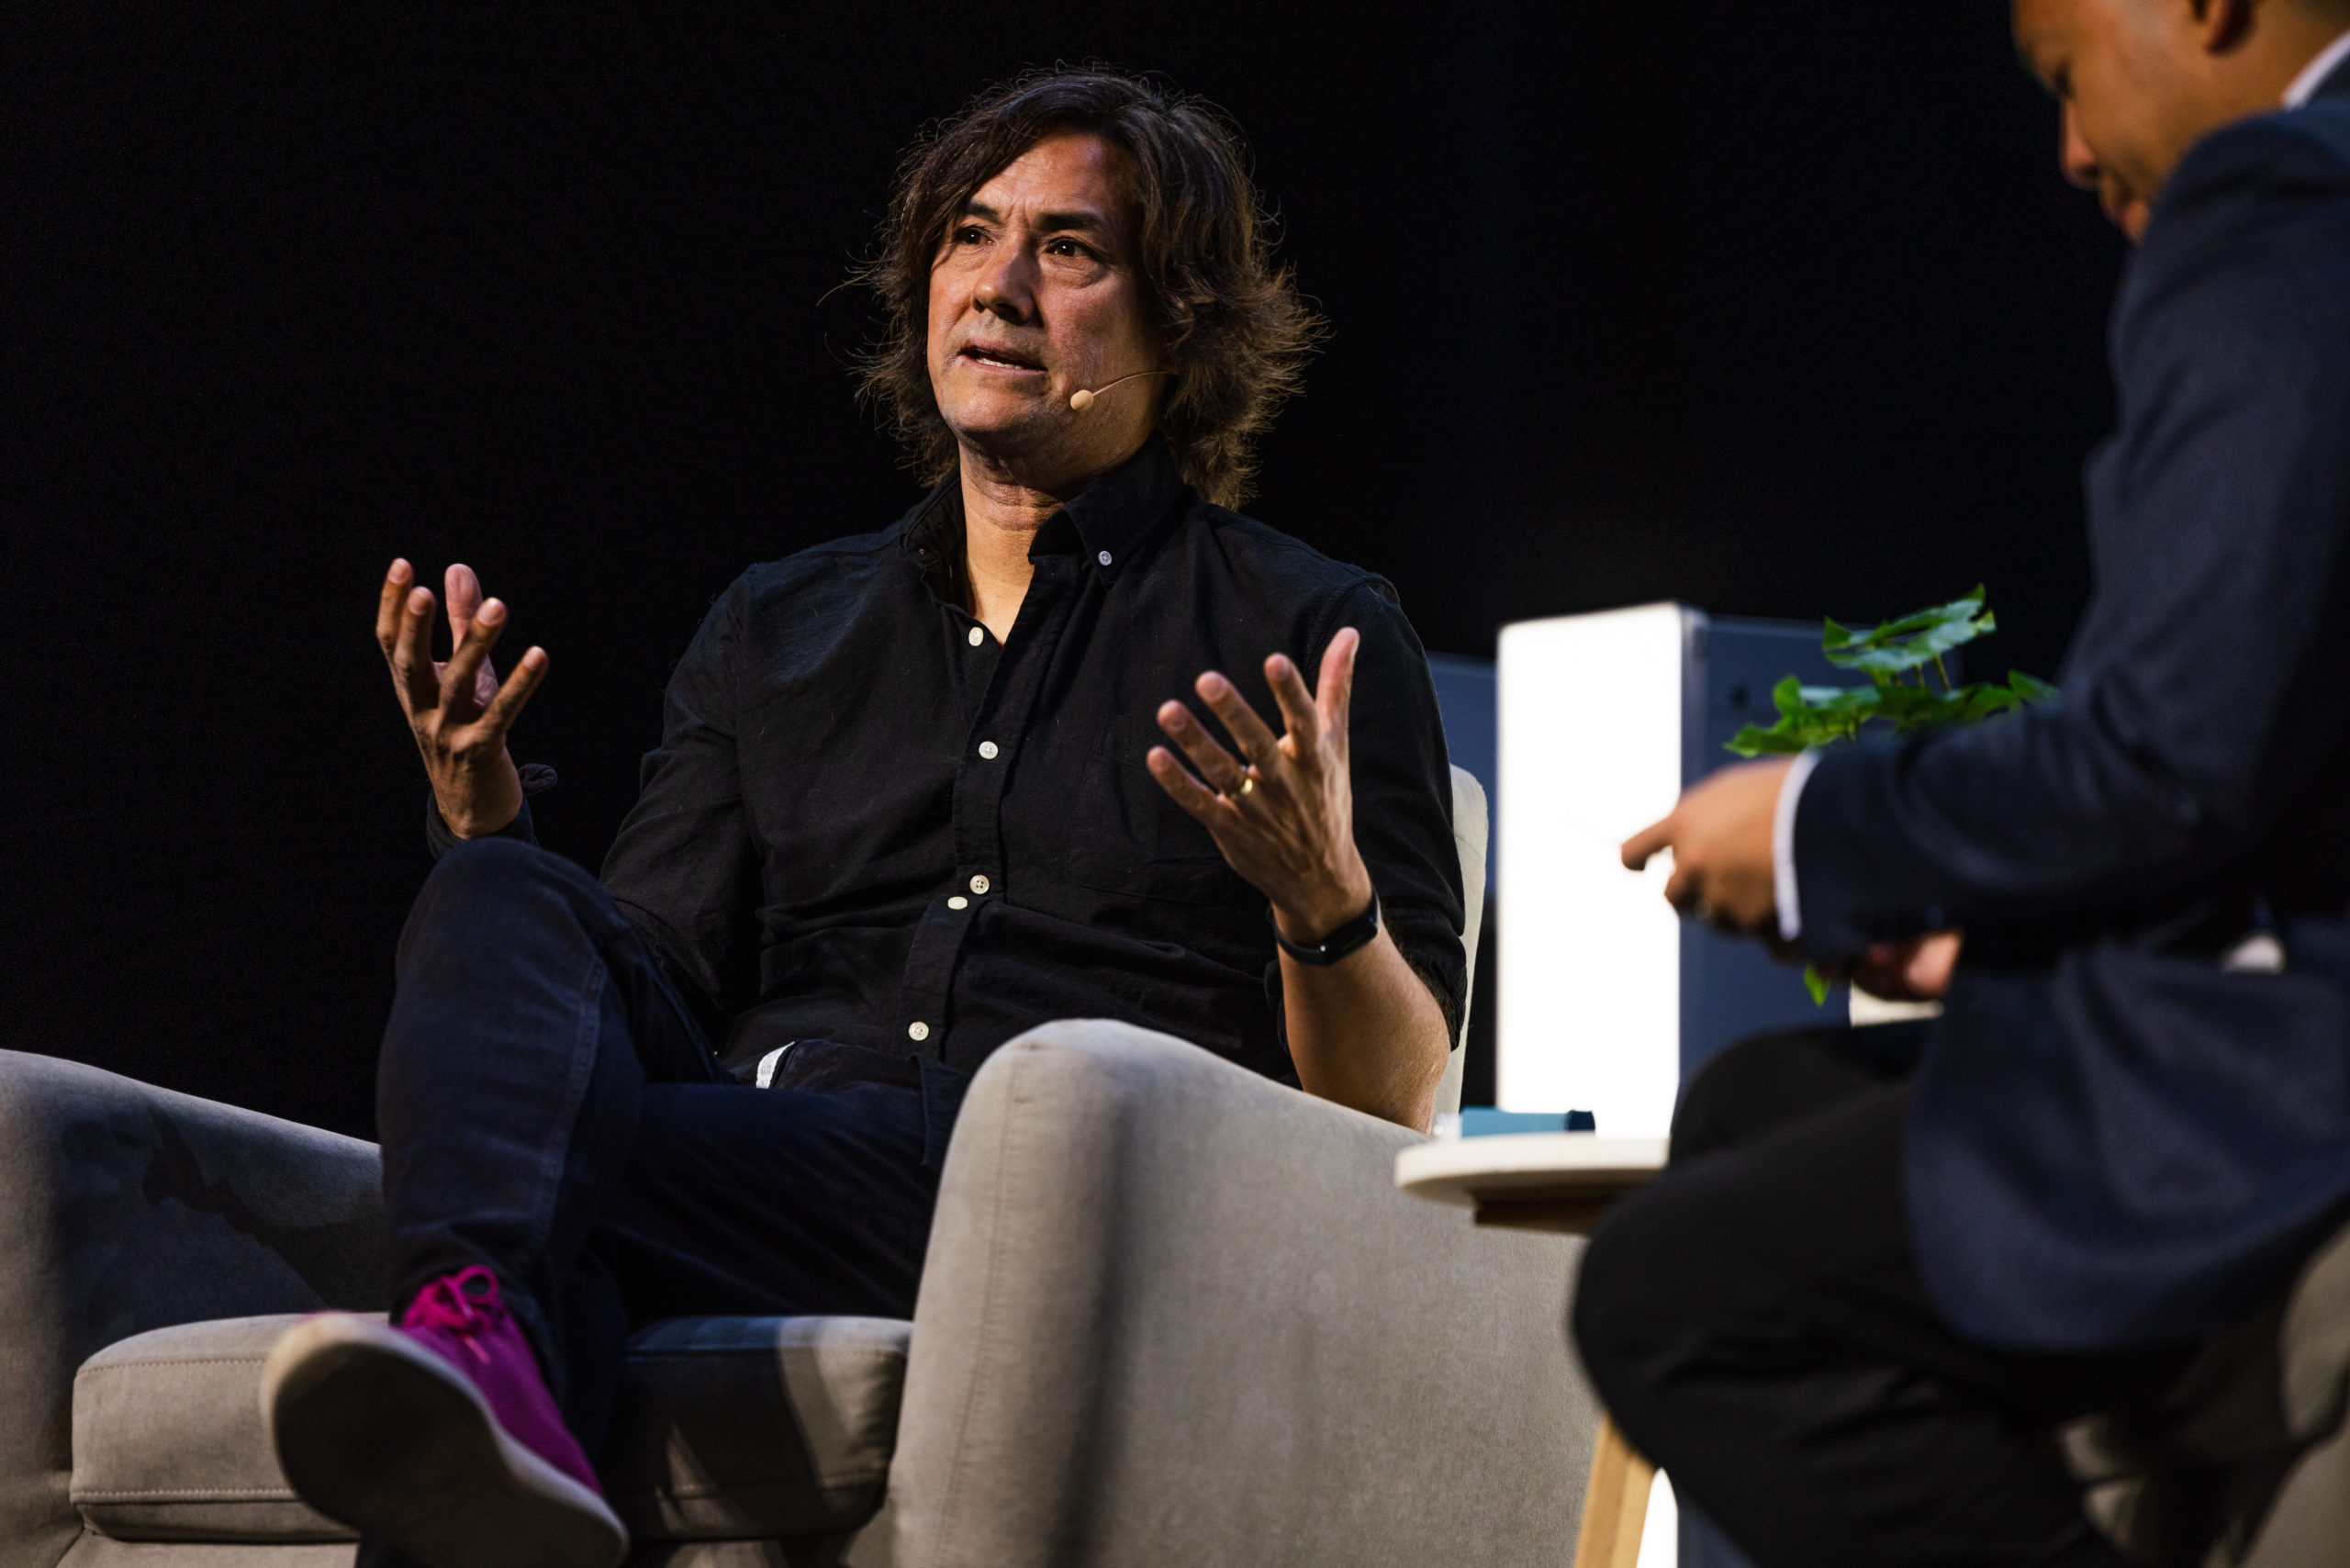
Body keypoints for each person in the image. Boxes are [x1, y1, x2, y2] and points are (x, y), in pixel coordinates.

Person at [258, 69, 1466, 1568]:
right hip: (768, 1148)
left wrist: (1319, 897)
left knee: (524, 1181)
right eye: (971, 235)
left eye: (1071, 250)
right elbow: (634, 976)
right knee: (502, 899)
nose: (1001, 285)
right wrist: (478, 816)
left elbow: (1397, 1107)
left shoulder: (1311, 629)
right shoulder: (778, 628)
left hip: (1064, 1187)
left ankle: (476, 1327)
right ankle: (483, 1361)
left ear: (1182, 322)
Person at [1572, 2, 2350, 1564]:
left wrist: (1811, 827)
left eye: (2066, 78)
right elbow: (2290, 744)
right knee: (1746, 1108)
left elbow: (2170, 752)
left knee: (1669, 1301)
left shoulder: (2283, 203)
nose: (2067, 148)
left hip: (2296, 1052)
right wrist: (2002, 934)